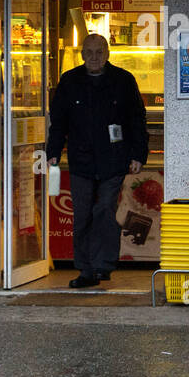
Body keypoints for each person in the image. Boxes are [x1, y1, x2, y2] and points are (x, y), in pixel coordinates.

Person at [47, 33, 149, 288]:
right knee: (81, 215)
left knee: (104, 208)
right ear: (81, 54)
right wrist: (53, 152)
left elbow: (137, 120)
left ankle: (103, 266)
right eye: (89, 52)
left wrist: (138, 154)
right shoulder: (69, 81)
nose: (94, 57)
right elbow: (58, 122)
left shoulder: (123, 80)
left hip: (113, 159)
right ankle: (85, 270)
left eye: (99, 52)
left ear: (108, 53)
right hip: (81, 160)